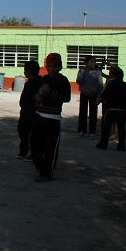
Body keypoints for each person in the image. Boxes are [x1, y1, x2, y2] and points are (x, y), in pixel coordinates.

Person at [30, 53, 71, 182]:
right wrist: (37, 97)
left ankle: (46, 173)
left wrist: (51, 93)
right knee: (34, 143)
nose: (52, 69)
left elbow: (67, 98)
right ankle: (41, 166)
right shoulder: (44, 79)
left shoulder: (63, 80)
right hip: (39, 116)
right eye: (49, 66)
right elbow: (37, 95)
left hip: (53, 118)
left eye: (55, 66)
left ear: (60, 67)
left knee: (50, 147)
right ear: (46, 66)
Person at [96, 66, 126, 151]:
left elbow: (103, 95)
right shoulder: (125, 84)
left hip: (111, 109)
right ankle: (121, 146)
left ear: (113, 75)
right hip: (121, 110)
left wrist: (106, 101)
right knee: (121, 128)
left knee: (106, 128)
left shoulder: (110, 84)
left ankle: (103, 144)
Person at [17, 60, 42, 160]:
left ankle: (34, 153)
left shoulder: (38, 83)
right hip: (24, 112)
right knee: (22, 130)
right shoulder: (29, 82)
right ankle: (23, 150)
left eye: (25, 70)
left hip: (33, 113)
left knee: (33, 134)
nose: (24, 72)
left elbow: (37, 98)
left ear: (29, 71)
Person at [76, 55, 103, 139]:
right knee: (82, 113)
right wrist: (82, 73)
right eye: (91, 61)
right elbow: (79, 82)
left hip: (94, 95)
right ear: (86, 63)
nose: (93, 63)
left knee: (93, 114)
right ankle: (82, 131)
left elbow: (100, 85)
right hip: (84, 94)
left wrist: (99, 97)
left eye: (94, 61)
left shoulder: (98, 72)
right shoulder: (82, 70)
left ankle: (92, 132)